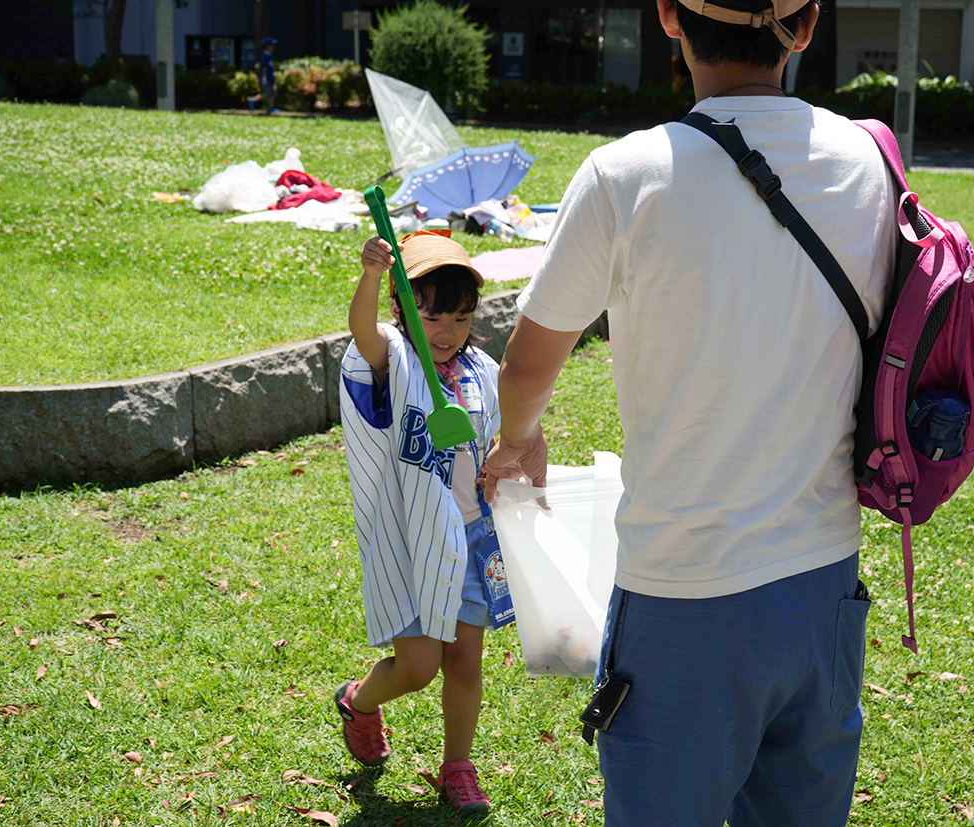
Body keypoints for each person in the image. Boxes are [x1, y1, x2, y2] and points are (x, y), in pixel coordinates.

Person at [482, 0, 897, 824]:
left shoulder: (624, 175)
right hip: (824, 583)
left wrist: (519, 440)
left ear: (670, 18)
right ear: (806, 26)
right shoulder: (868, 160)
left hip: (684, 590)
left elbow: (528, 362)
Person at [334, 230, 501, 815]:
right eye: (432, 316)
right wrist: (373, 277)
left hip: (473, 536)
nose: (447, 332)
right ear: (406, 311)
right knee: (419, 666)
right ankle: (359, 700)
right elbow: (363, 332)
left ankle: (458, 767)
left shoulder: (481, 369)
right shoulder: (394, 356)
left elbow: (499, 438)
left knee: (465, 660)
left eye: (460, 317)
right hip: (411, 540)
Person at [247, 37, 278, 113]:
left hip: (271, 78)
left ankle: (271, 107)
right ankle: (253, 100)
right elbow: (264, 68)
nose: (273, 47)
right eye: (271, 45)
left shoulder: (270, 56)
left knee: (272, 93)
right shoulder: (265, 56)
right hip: (267, 78)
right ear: (267, 47)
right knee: (266, 94)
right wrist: (264, 77)